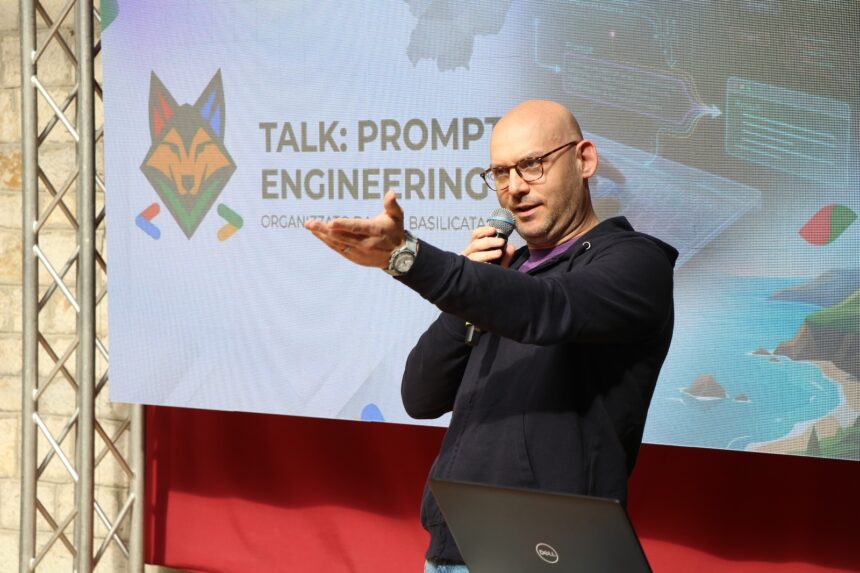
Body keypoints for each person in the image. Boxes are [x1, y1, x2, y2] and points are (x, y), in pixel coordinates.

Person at [305, 100, 677, 572]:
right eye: (501, 172)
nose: (515, 187)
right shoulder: (503, 275)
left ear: (584, 160)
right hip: (456, 548)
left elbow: (546, 310)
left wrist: (409, 258)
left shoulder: (634, 262)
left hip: (552, 556)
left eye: (532, 164)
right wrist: (463, 301)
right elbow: (421, 396)